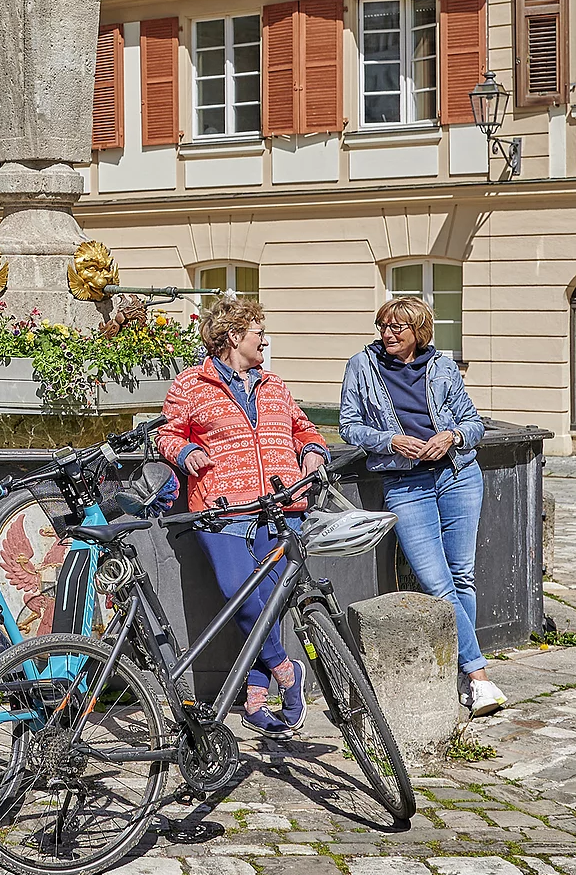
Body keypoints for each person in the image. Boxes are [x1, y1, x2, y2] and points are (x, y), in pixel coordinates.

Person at [154, 296, 328, 736]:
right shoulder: (191, 384)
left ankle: (254, 693)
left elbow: (303, 428)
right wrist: (185, 450)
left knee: (268, 603)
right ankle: (286, 671)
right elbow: (166, 434)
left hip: (280, 504)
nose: (264, 342)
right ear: (233, 337)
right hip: (222, 507)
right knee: (238, 593)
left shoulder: (274, 385)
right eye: (257, 334)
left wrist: (311, 451)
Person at [339, 295, 504, 716]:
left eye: (398, 327)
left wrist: (451, 437)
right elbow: (349, 425)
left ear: (419, 332)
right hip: (404, 481)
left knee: (461, 576)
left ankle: (464, 673)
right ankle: (479, 675)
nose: (387, 334)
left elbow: (473, 422)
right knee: (436, 582)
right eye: (383, 326)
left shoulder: (443, 366)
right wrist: (390, 441)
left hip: (458, 475)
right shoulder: (362, 366)